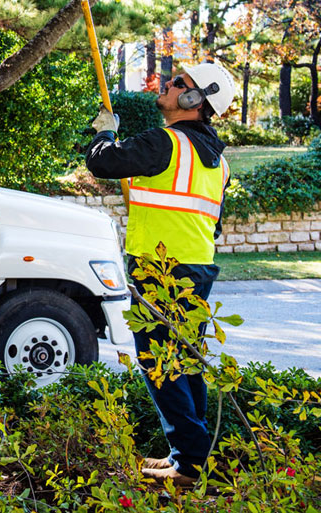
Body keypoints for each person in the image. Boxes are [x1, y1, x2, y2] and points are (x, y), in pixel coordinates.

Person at [85, 62, 236, 487]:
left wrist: (104, 132)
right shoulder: (219, 163)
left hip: (160, 270)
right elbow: (212, 222)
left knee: (159, 363)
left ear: (194, 99)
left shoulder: (166, 142)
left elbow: (103, 163)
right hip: (197, 268)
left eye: (178, 83)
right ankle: (191, 457)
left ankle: (188, 464)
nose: (168, 84)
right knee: (185, 361)